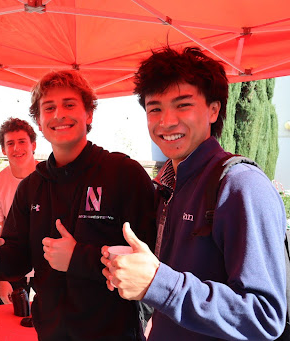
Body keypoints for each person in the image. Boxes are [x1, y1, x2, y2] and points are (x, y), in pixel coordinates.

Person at [101, 46, 287, 340]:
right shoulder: (168, 185)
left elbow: (264, 316)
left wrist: (158, 284)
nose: (166, 121)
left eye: (183, 104)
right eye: (155, 108)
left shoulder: (241, 185)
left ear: (213, 110)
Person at [0, 70, 156, 340]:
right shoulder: (31, 187)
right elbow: (17, 261)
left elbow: (148, 262)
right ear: (40, 123)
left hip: (113, 332)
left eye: (69, 104)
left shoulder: (124, 174)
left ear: (88, 114)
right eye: (49, 108)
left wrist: (77, 257)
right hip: (51, 332)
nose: (59, 114)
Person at [0, 117, 38, 304]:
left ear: (34, 145)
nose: (16, 148)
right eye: (10, 143)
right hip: (15, 268)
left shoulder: (51, 178)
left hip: (49, 264)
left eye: (22, 142)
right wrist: (3, 279)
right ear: (4, 149)